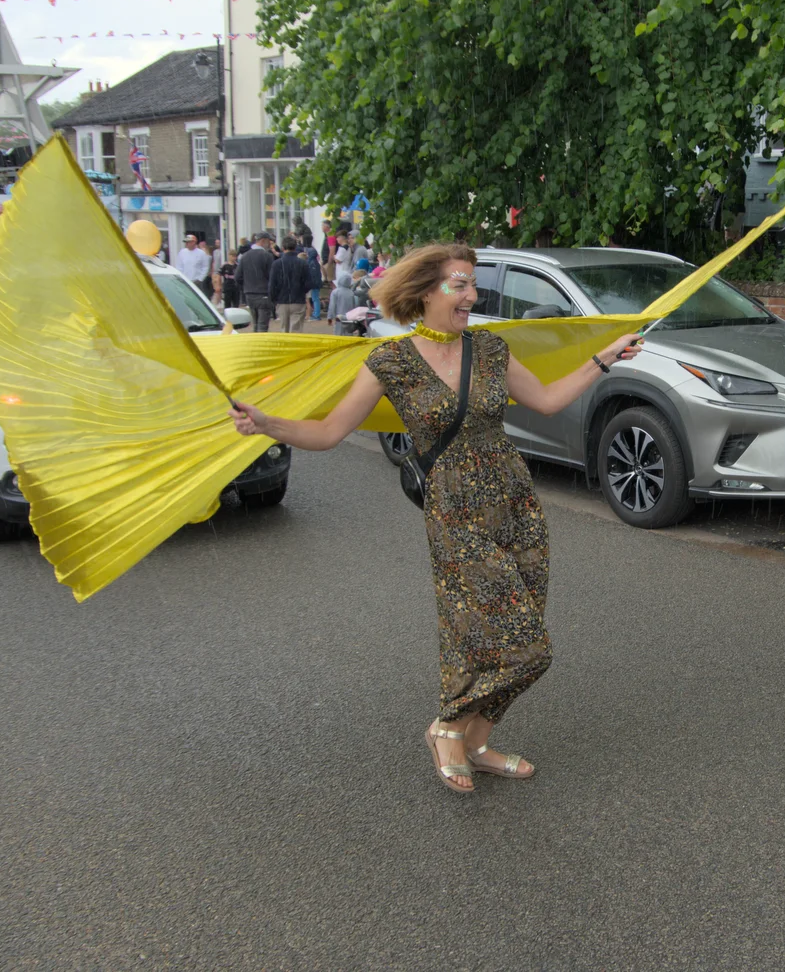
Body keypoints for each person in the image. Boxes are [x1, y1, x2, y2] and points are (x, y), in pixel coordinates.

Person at [228, 244, 646, 793]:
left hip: (515, 500)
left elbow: (545, 401)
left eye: (473, 285)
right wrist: (267, 424)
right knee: (527, 645)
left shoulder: (490, 350)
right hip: (454, 508)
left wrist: (605, 357)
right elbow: (329, 433)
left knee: (479, 633)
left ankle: (477, 739)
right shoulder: (392, 361)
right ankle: (446, 726)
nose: (472, 296)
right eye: (459, 285)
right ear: (426, 291)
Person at [268, 235, 315, 333]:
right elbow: (309, 283)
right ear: (295, 248)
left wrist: (273, 299)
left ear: (282, 248)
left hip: (282, 300)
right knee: (296, 330)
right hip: (298, 299)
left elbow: (272, 284)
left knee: (284, 329)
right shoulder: (303, 263)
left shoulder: (276, 264)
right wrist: (301, 291)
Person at [237, 230, 278, 332]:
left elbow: (237, 276)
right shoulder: (267, 256)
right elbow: (272, 277)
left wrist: (246, 286)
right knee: (263, 325)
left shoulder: (244, 256)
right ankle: (261, 345)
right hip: (263, 294)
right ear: (263, 240)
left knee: (255, 323)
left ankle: (255, 343)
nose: (270, 244)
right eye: (269, 241)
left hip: (249, 294)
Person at [327, 267, 356, 334]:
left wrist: (330, 317)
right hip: (349, 318)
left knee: (338, 334)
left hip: (338, 318)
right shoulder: (351, 293)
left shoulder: (335, 292)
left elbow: (332, 306)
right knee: (348, 334)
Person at [301, 235, 324, 320]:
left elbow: (312, 275)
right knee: (315, 298)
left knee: (315, 299)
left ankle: (316, 315)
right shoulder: (314, 262)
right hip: (316, 283)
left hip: (314, 284)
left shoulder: (311, 263)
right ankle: (316, 314)